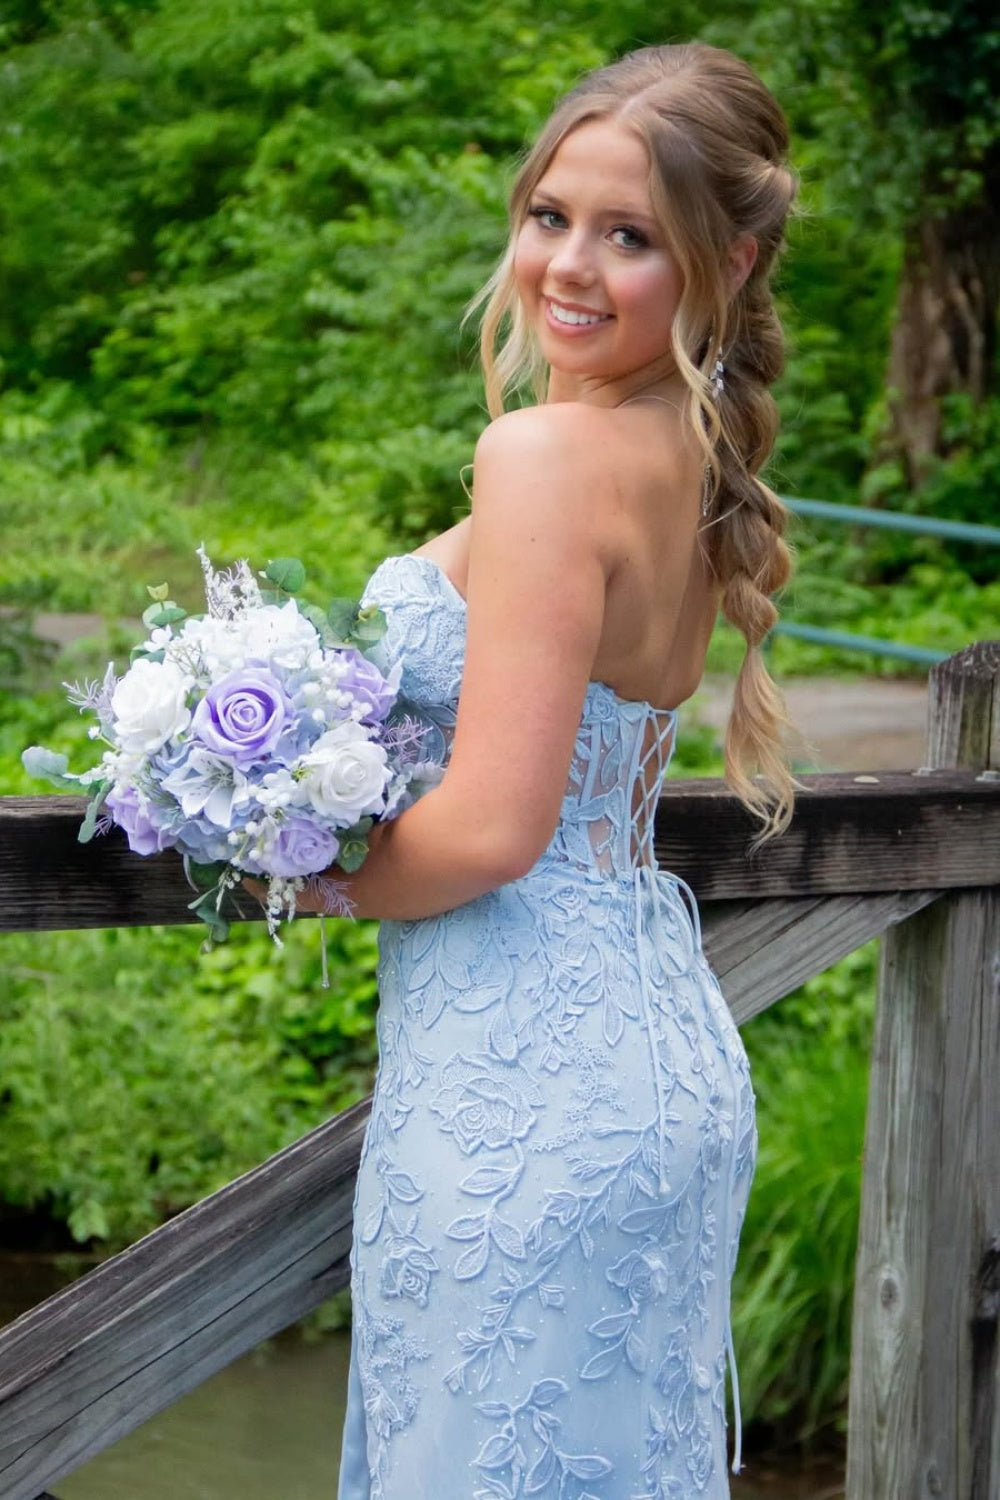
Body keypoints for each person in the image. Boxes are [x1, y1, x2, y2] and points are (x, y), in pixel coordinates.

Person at [305, 40, 796, 1500]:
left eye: (630, 235)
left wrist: (284, 865)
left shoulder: (543, 454)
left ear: (731, 257)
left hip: (518, 1086)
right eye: (551, 217)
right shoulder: (679, 455)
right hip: (656, 1073)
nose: (571, 267)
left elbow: (494, 829)